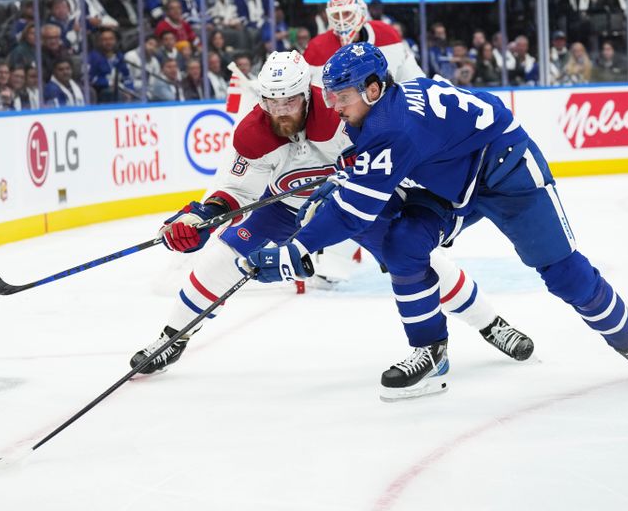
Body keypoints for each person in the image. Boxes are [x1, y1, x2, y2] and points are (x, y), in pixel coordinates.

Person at [243, 42, 628, 400]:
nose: (334, 106)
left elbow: (355, 210)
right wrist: (351, 173)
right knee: (401, 246)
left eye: (341, 96)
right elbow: (374, 166)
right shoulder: (374, 112)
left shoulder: (394, 125)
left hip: (506, 169)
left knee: (562, 272)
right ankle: (430, 354)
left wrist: (294, 251)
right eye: (330, 96)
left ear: (374, 88)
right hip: (446, 179)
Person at [129, 51, 534, 385]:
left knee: (413, 257)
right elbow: (234, 191)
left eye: (288, 101)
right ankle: (172, 338)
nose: (279, 112)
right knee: (222, 255)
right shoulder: (252, 132)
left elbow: (390, 153)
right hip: (284, 205)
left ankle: (490, 323)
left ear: (308, 93)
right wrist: (202, 217)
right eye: (271, 102)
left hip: (349, 203)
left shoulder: (343, 111)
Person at [303, 0, 423, 85]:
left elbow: (412, 79)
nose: (342, 21)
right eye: (336, 15)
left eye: (347, 13)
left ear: (361, 12)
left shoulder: (387, 34)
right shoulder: (316, 48)